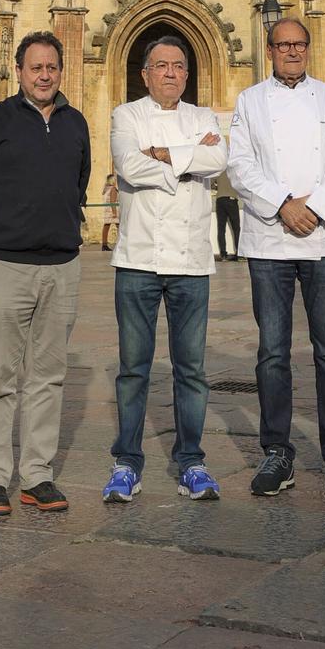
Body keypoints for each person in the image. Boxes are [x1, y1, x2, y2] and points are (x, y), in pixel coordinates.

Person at [0, 31, 90, 517]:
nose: (44, 75)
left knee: (49, 377)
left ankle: (37, 476)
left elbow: (79, 180)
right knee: (0, 378)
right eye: (35, 68)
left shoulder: (76, 124)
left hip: (62, 268)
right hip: (5, 266)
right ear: (19, 71)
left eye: (51, 67)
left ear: (60, 70)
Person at [227, 18, 325, 503]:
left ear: (308, 48)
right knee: (272, 352)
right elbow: (240, 165)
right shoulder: (249, 101)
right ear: (269, 50)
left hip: (323, 239)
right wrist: (283, 203)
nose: (292, 52)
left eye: (299, 44)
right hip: (269, 240)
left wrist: (316, 208)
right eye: (283, 45)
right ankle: (276, 451)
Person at [102, 35, 226, 504]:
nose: (171, 73)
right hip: (137, 259)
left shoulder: (203, 117)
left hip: (192, 261)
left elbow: (220, 159)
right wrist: (188, 157)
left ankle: (191, 459)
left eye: (179, 66)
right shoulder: (127, 114)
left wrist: (162, 153)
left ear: (187, 75)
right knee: (133, 368)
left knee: (191, 368)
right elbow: (129, 167)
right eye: (161, 66)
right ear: (145, 74)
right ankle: (126, 461)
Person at [213, 168, 240, 259]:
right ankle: (239, 253)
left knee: (221, 229)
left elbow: (211, 183)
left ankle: (223, 254)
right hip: (232, 199)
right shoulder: (234, 170)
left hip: (220, 199)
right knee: (236, 228)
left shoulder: (219, 169)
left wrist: (218, 187)